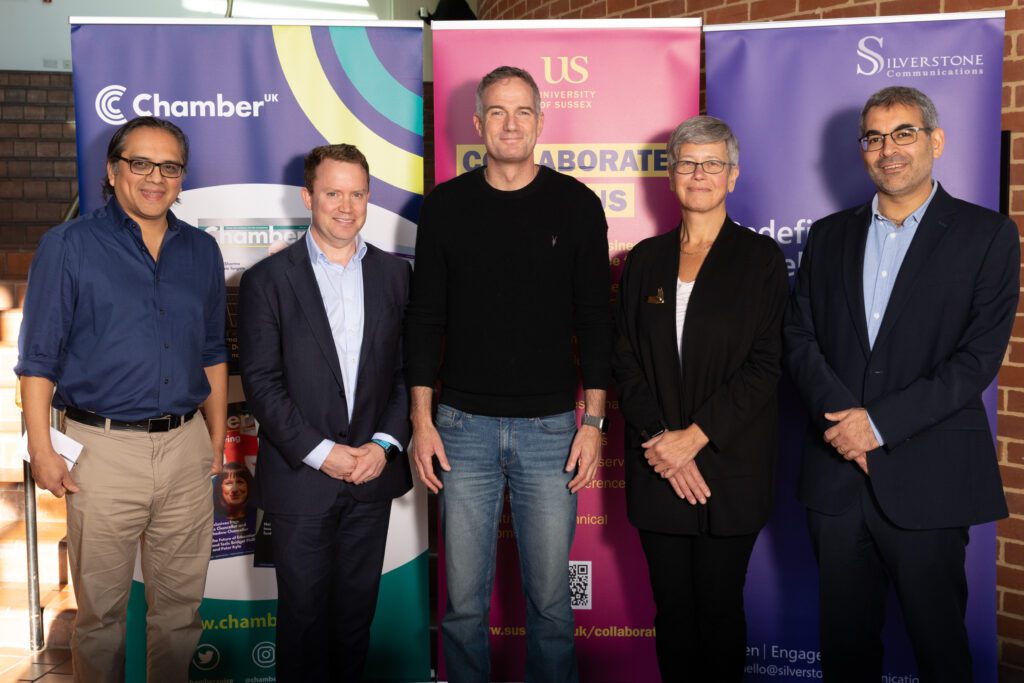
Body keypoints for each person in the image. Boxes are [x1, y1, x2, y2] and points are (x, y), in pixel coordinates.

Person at [784, 86, 1019, 681]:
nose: (888, 149)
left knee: (940, 651)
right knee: (846, 652)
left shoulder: (986, 236)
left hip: (930, 478)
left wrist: (879, 426)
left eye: (903, 133)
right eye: (874, 137)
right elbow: (799, 338)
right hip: (837, 482)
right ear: (862, 150)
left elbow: (976, 360)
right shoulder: (830, 234)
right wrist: (848, 428)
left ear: (935, 141)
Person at [404, 65, 612, 682]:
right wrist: (422, 421)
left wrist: (593, 421)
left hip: (551, 429)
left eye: (523, 112)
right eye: (498, 112)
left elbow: (596, 321)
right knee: (463, 606)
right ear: (477, 124)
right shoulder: (444, 206)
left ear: (541, 121)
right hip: (460, 428)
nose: (511, 124)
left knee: (551, 603)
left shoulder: (577, 205)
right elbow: (425, 320)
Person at [16, 116, 228, 683]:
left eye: (170, 166)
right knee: (101, 618)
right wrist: (42, 449)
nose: (155, 177)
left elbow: (212, 350)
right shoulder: (69, 246)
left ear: (182, 178)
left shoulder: (202, 251)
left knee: (180, 615)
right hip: (101, 451)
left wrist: (215, 438)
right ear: (113, 172)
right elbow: (37, 360)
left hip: (186, 448)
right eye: (140, 163)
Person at [612, 116, 787, 681]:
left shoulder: (759, 261)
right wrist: (663, 441)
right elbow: (625, 358)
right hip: (657, 463)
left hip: (728, 468)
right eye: (687, 163)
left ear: (732, 176)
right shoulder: (644, 259)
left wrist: (696, 437)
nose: (699, 174)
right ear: (671, 175)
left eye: (713, 164)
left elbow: (767, 364)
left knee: (718, 610)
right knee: (674, 614)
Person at [239, 143, 412, 682]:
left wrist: (383, 446)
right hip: (301, 480)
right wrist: (323, 454)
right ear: (307, 196)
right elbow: (262, 385)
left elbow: (409, 376)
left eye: (357, 193)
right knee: (303, 622)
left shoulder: (396, 276)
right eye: (333, 193)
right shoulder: (267, 281)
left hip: (370, 475)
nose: (345, 205)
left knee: (355, 621)